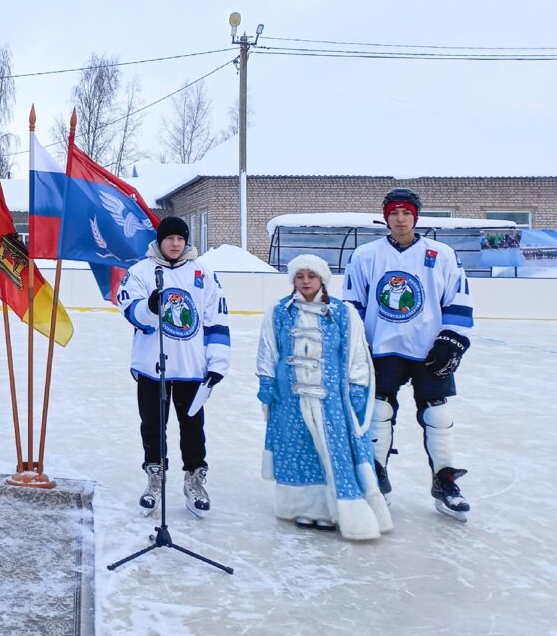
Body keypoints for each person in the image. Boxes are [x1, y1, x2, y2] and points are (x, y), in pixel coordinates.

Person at [343, 187, 474, 522]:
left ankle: (444, 481)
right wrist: (356, 343)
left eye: (406, 213)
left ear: (415, 216)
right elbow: (352, 305)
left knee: (438, 416)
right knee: (378, 411)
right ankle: (375, 477)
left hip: (430, 348)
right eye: (393, 213)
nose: (400, 219)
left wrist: (452, 340)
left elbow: (457, 299)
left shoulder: (441, 254)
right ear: (385, 216)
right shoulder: (366, 255)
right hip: (383, 348)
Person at [256, 254, 394, 540]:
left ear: (322, 279)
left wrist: (357, 387)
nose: (305, 281)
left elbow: (356, 352)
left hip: (331, 397)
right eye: (300, 276)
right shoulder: (279, 311)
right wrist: (267, 380)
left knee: (334, 451)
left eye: (311, 276)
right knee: (297, 450)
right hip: (289, 397)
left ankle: (338, 509)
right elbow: (268, 348)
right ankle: (305, 506)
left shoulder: (342, 312)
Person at [117, 216, 229, 519]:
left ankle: (194, 479)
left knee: (193, 428)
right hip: (152, 368)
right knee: (153, 426)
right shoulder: (140, 272)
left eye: (180, 238)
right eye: (170, 238)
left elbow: (215, 319)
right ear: (160, 240)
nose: (175, 243)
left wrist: (217, 362)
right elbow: (130, 311)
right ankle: (154, 478)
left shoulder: (203, 274)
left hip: (192, 368)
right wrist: (151, 308)